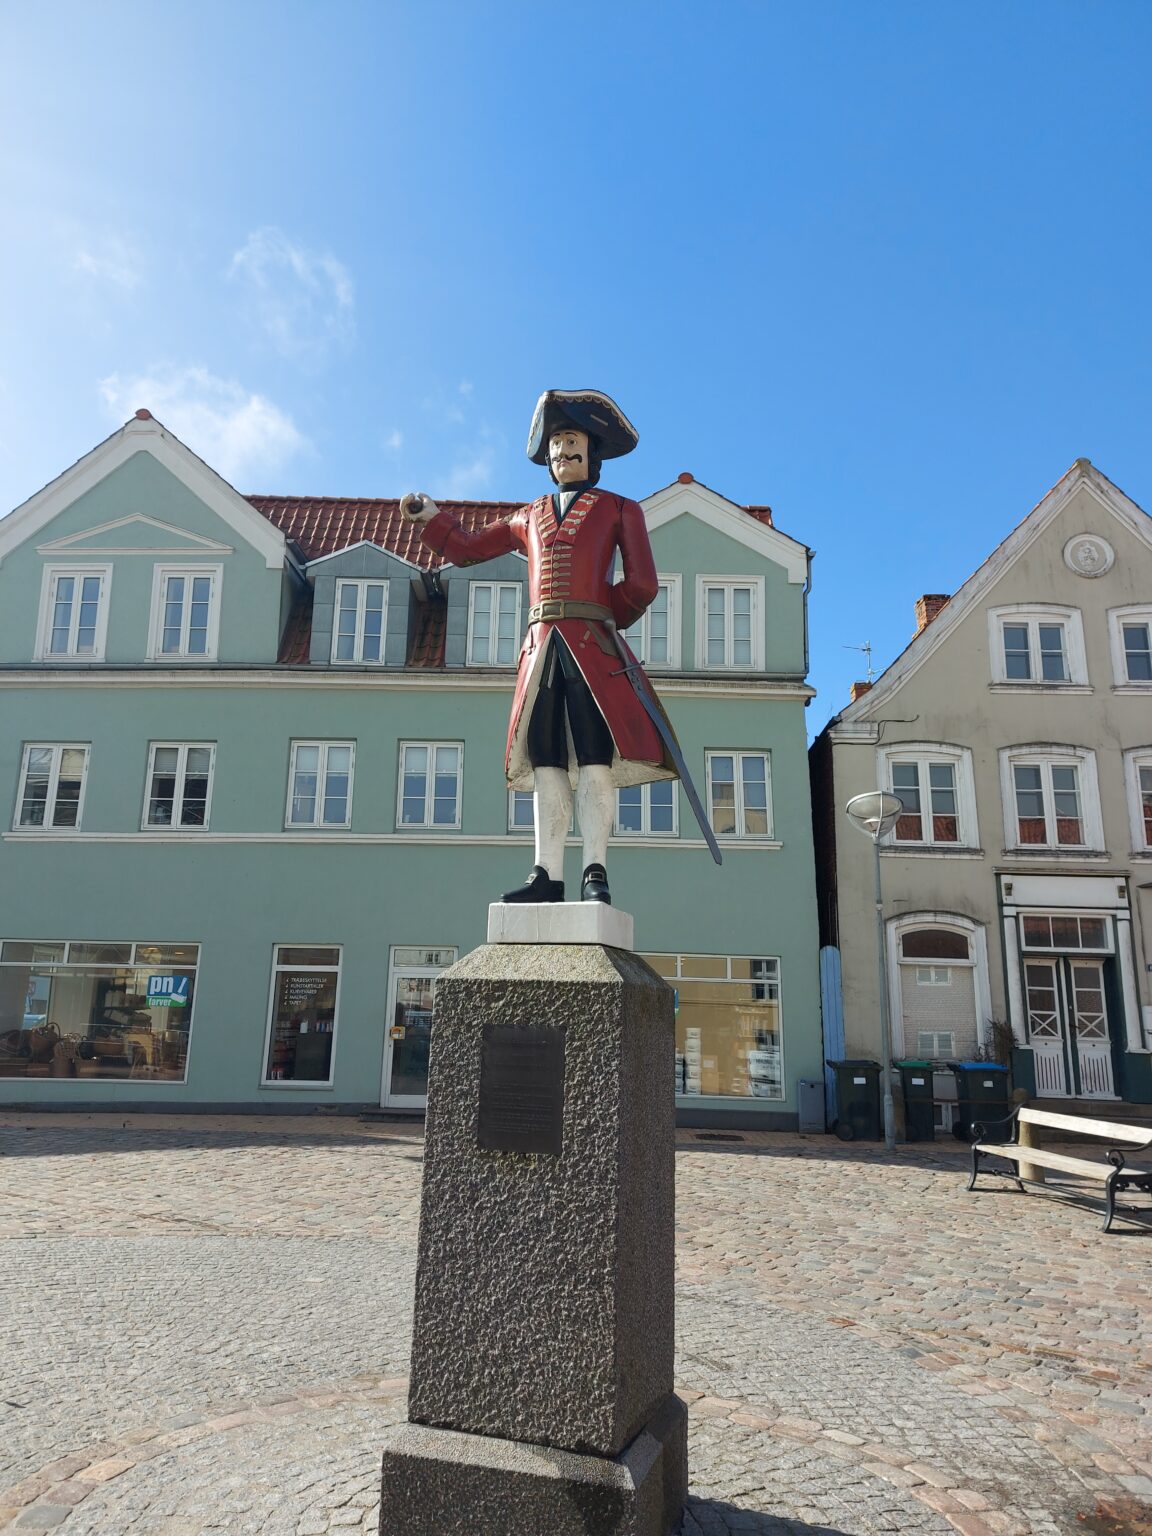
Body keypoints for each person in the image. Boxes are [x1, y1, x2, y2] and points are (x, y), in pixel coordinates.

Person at [401, 388, 678, 906]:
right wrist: (431, 518)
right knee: (545, 756)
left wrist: (601, 619)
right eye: (556, 444)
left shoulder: (620, 509)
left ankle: (594, 869)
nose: (562, 452)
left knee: (595, 756)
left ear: (592, 452)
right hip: (541, 648)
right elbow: (468, 549)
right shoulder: (527, 516)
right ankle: (546, 872)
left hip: (592, 649)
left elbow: (643, 584)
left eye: (572, 441)